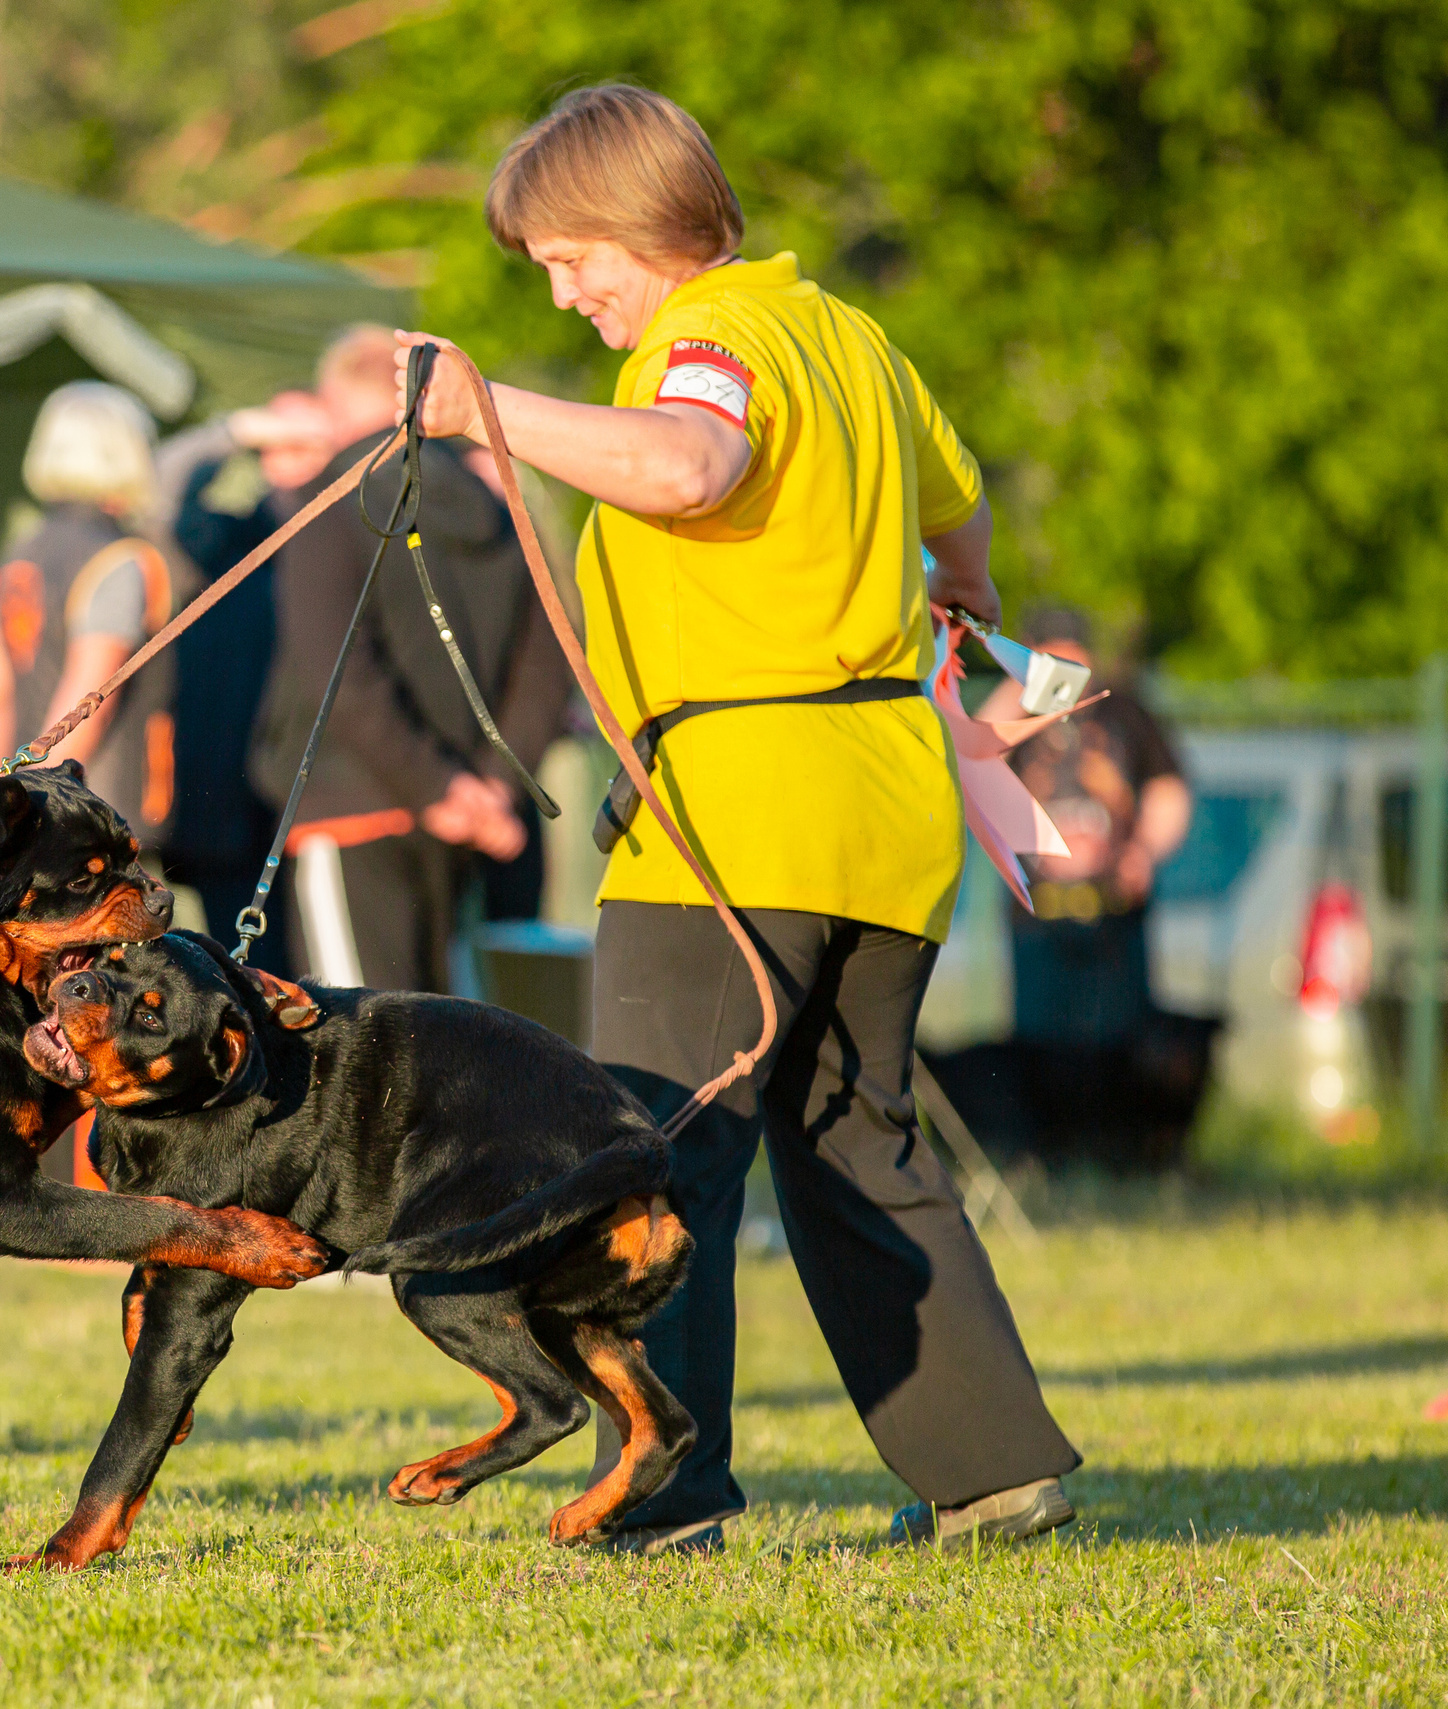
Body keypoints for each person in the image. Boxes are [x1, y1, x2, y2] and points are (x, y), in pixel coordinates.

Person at [397, 83, 1079, 1553]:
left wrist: (475, 409)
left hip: (738, 811)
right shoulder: (853, 336)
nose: (566, 291)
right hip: (890, 808)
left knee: (654, 1153)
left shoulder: (706, 344)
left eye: (570, 256)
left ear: (639, 222)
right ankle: (994, 1471)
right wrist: (965, 599)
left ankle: (662, 1499)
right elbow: (958, 517)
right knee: (858, 1134)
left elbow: (691, 466)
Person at [247, 325, 573, 992]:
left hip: (357, 803)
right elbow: (544, 665)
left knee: (361, 1047)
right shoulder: (499, 506)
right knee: (446, 1050)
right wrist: (489, 787)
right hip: (472, 821)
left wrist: (440, 789)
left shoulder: (333, 501)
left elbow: (337, 675)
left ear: (337, 404)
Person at [987, 607, 1194, 1166]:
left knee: (1121, 1046)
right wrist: (1018, 690)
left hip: (1114, 912)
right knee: (1039, 1050)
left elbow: (1168, 791)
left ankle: (1121, 1160)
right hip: (1038, 916)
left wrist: (1144, 851)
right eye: (1048, 659)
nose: (1063, 673)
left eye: (1071, 659)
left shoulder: (1123, 708)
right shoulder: (1016, 712)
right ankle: (1047, 1159)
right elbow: (968, 759)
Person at [153, 390, 336, 972]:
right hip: (230, 803)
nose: (297, 459)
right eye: (281, 446)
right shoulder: (226, 539)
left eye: (313, 445)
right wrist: (236, 427)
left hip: (324, 803)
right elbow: (159, 487)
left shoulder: (356, 531)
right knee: (251, 971)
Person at [0, 382, 178, 843]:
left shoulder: (23, 551)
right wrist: (39, 805)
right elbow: (88, 700)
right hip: (92, 811)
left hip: (24, 809)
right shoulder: (118, 558)